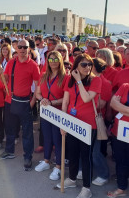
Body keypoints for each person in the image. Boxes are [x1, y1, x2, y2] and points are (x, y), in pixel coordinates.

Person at [57, 54, 102, 198]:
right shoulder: (69, 81)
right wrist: (63, 123)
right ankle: (71, 178)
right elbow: (65, 102)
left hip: (88, 125)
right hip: (71, 123)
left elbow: (86, 98)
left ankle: (87, 188)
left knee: (85, 156)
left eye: (89, 64)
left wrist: (79, 82)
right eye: (83, 64)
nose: (87, 67)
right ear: (76, 66)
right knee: (73, 154)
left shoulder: (96, 80)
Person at [0, 39, 40, 171]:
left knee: (27, 132)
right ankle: (9, 151)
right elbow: (5, 80)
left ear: (29, 49)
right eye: (19, 47)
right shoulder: (11, 63)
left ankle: (28, 156)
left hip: (25, 102)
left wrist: (32, 102)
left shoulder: (33, 65)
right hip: (10, 101)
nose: (21, 49)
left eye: (24, 47)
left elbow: (38, 86)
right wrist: (0, 74)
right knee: (9, 128)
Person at [35, 51, 68, 180]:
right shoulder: (43, 75)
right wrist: (42, 99)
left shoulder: (66, 77)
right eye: (50, 59)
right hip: (45, 112)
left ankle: (58, 167)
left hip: (58, 112)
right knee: (47, 137)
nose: (53, 62)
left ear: (60, 60)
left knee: (57, 140)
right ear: (47, 61)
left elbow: (66, 98)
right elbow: (37, 93)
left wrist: (51, 102)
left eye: (56, 59)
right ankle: (46, 161)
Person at [90, 58, 111, 186]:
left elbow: (101, 104)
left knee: (95, 151)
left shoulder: (106, 83)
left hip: (96, 120)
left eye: (88, 65)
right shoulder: (87, 80)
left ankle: (104, 174)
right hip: (83, 119)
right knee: (84, 148)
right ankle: (82, 169)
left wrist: (86, 97)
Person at [107, 83, 129, 198]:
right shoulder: (125, 86)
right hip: (119, 131)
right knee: (121, 160)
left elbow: (118, 105)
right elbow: (113, 103)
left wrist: (123, 108)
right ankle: (121, 187)